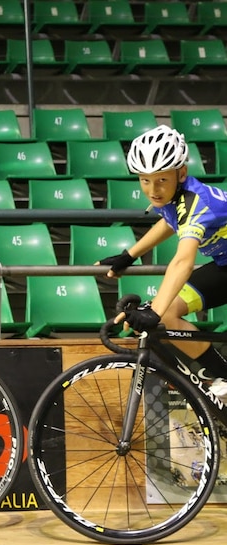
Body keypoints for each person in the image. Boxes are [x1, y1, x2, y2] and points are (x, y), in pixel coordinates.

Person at [97, 124, 227, 395]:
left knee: (160, 310)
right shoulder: (174, 197)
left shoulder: (196, 203)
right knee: (167, 312)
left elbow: (183, 261)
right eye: (145, 180)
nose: (153, 189)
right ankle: (221, 379)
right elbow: (169, 223)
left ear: (181, 173)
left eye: (161, 180)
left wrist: (153, 312)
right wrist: (129, 255)